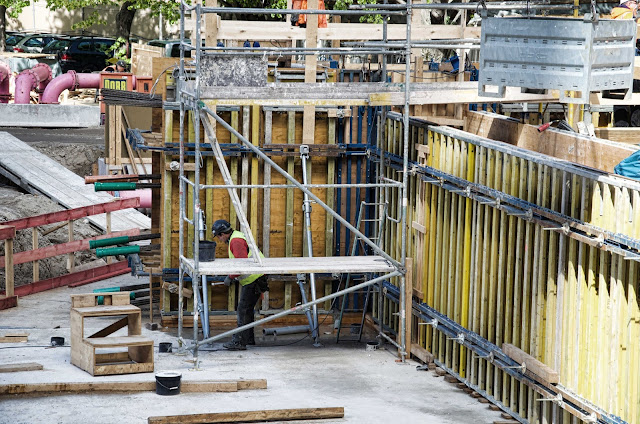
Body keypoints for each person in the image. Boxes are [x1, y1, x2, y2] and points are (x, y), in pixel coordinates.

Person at [211, 219, 268, 351]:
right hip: (256, 276)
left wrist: (230, 277)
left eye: (219, 237)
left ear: (222, 234)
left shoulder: (235, 241)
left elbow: (242, 264)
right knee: (247, 310)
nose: (219, 240)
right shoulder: (236, 236)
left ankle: (240, 342)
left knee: (243, 310)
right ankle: (248, 339)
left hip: (255, 278)